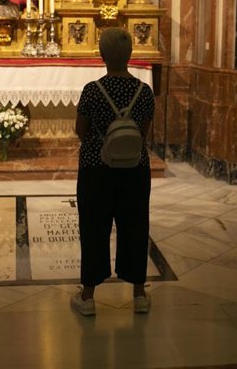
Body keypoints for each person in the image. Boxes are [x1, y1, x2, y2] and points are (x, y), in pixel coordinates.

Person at [71, 27, 155, 316]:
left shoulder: (92, 91)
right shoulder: (144, 92)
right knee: (135, 226)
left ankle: (88, 297)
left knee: (93, 228)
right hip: (135, 168)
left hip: (96, 169)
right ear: (130, 54)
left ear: (102, 55)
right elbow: (143, 134)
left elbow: (80, 130)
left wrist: (99, 146)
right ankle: (140, 294)